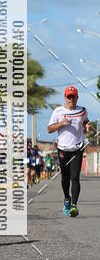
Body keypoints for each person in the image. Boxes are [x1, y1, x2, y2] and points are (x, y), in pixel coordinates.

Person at [47, 85, 91, 217]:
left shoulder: (82, 110)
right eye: (69, 96)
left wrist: (87, 125)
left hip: (77, 148)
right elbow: (49, 129)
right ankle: (67, 198)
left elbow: (85, 121)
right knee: (65, 177)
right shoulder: (58, 111)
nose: (71, 99)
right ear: (65, 97)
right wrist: (61, 124)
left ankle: (74, 206)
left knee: (75, 177)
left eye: (73, 96)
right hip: (63, 150)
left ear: (77, 97)